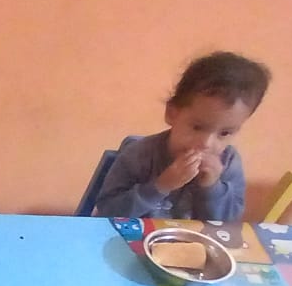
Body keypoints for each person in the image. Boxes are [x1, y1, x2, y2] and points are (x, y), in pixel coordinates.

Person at [95, 51, 271, 221]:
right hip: (133, 238)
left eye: (224, 133)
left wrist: (212, 187)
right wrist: (160, 186)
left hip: (191, 240)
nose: (206, 143)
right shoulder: (139, 155)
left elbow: (228, 225)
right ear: (172, 114)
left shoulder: (228, 163)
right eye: (197, 127)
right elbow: (107, 212)